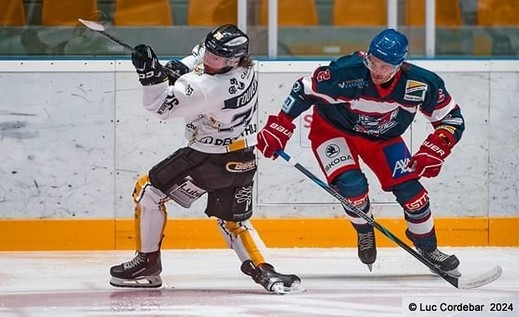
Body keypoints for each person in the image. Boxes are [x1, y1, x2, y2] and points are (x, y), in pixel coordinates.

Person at [109, 24, 303, 294]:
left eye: (217, 57)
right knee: (234, 223)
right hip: (243, 157)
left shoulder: (208, 88)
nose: (210, 59)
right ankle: (264, 270)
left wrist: (151, 77)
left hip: (208, 159)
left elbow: (160, 107)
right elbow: (199, 58)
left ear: (232, 60)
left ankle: (148, 264)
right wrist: (180, 66)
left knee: (148, 192)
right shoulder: (245, 67)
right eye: (210, 52)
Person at [256, 28, 465, 276]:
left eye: (385, 66)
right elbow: (304, 89)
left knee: (413, 193)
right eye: (372, 62)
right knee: (351, 187)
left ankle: (428, 247)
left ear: (399, 65)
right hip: (333, 132)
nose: (376, 70)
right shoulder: (346, 72)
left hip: (383, 139)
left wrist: (437, 147)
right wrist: (281, 122)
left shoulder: (421, 83)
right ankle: (365, 230)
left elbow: (452, 119)